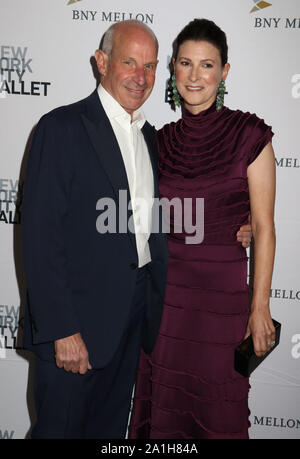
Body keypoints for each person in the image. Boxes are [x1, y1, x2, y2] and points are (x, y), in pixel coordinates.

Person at [21, 19, 251, 439]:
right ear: (101, 61)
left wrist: (238, 221)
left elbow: (174, 210)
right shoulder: (62, 128)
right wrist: (62, 330)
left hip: (132, 323)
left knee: (109, 434)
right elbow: (40, 238)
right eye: (129, 62)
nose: (140, 76)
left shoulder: (150, 137)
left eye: (149, 65)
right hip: (76, 328)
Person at [129, 18, 276, 439]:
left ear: (224, 71)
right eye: (186, 64)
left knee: (219, 413)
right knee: (165, 414)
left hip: (221, 305)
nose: (195, 77)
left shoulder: (250, 134)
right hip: (165, 303)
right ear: (173, 69)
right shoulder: (157, 141)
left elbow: (264, 228)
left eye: (207, 65)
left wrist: (259, 306)